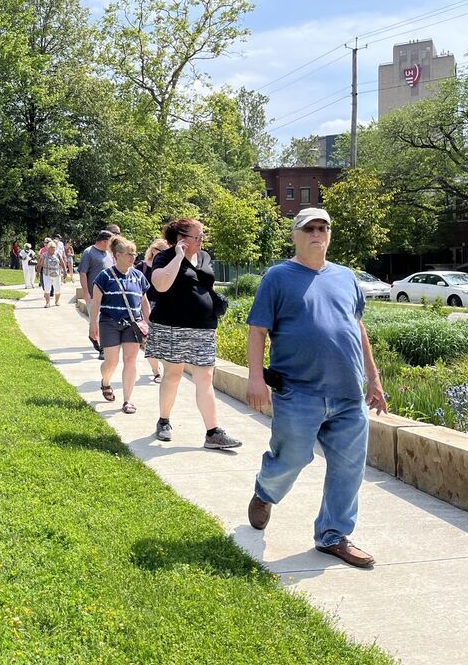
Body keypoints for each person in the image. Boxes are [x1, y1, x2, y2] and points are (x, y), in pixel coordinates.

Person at [245, 207, 387, 569]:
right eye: (309, 228)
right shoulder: (278, 277)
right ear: (295, 235)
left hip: (348, 394)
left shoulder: (346, 278)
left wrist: (374, 378)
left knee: (348, 468)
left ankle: (333, 535)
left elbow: (357, 329)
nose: (317, 233)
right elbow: (258, 330)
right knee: (291, 458)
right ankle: (266, 491)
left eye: (323, 227)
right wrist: (255, 378)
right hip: (298, 392)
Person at [147, 218, 242, 450]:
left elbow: (206, 284)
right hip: (172, 325)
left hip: (203, 326)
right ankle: (164, 421)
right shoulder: (165, 257)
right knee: (173, 374)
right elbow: (160, 285)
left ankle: (213, 432)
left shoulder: (205, 256)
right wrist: (179, 257)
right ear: (181, 239)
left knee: (205, 377)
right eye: (197, 237)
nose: (201, 241)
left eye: (202, 237)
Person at [89, 236, 150, 415]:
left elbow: (144, 302)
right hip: (109, 322)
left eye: (134, 254)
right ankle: (106, 381)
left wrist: (150, 323)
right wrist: (93, 324)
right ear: (117, 255)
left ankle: (127, 400)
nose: (133, 257)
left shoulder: (138, 276)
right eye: (129, 254)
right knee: (111, 362)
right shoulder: (104, 276)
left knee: (130, 360)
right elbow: (96, 302)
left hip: (132, 324)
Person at [78, 230, 115, 361]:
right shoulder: (89, 252)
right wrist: (86, 292)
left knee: (104, 322)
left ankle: (95, 339)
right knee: (99, 322)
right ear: (104, 241)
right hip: (93, 295)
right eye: (111, 242)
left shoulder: (109, 254)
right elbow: (83, 273)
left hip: (108, 295)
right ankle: (103, 349)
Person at [139, 238, 169, 383]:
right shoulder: (142, 267)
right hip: (146, 306)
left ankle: (163, 369)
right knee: (150, 340)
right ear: (154, 250)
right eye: (163, 250)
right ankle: (156, 371)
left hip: (164, 305)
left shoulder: (169, 266)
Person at [38, 241, 65, 307]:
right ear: (48, 248)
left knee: (57, 289)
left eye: (54, 249)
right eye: (52, 249)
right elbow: (40, 264)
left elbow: (62, 262)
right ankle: (47, 303)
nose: (53, 250)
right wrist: (38, 272)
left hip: (56, 274)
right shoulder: (44, 255)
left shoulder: (58, 254)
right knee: (47, 289)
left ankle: (57, 301)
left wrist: (65, 271)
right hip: (47, 274)